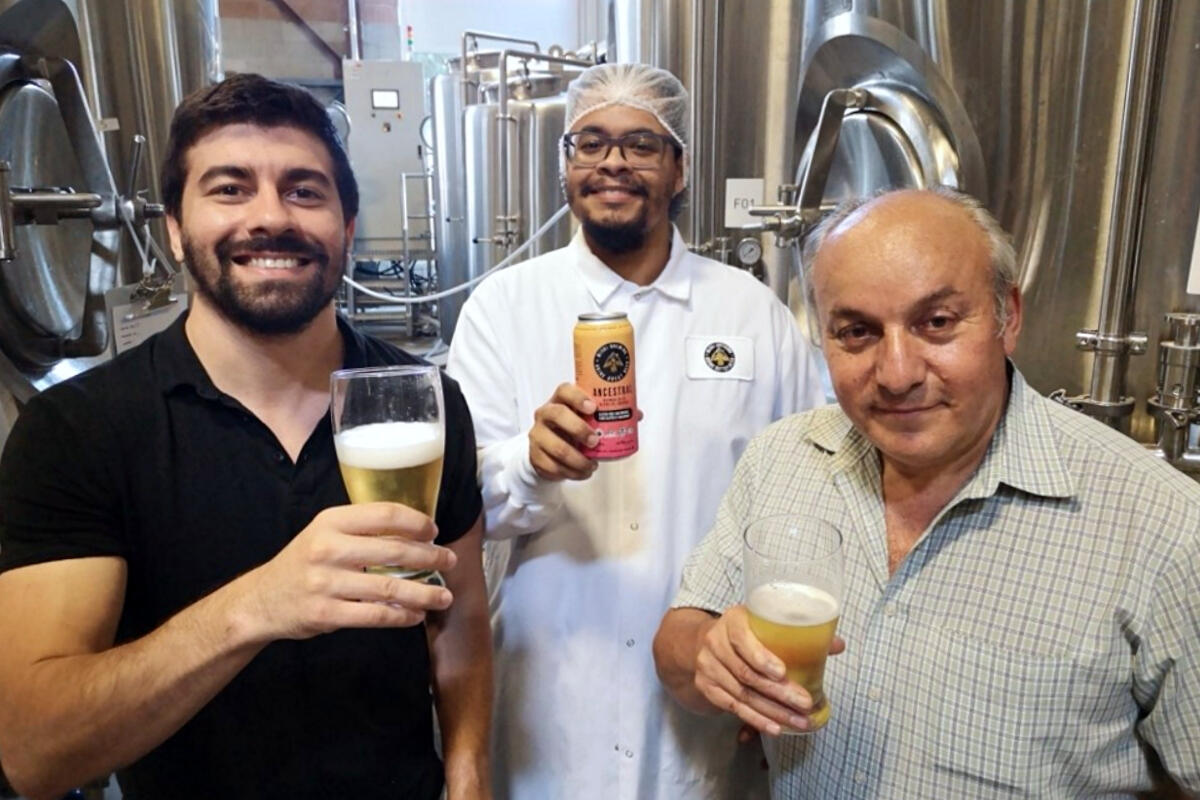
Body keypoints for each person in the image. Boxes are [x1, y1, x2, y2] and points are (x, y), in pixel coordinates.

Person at [0, 74, 492, 800]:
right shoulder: (78, 430)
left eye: (304, 191)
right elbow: (34, 753)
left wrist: (469, 771)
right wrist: (258, 607)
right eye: (230, 189)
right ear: (174, 228)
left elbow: (461, 614)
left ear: (347, 227)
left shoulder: (425, 401)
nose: (271, 217)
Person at [653, 186, 1200, 797]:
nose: (897, 374)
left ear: (1008, 317)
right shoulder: (783, 459)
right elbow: (677, 650)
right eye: (856, 331)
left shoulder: (1165, 529)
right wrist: (711, 654)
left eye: (936, 323)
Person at [445, 62, 827, 800]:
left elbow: (805, 497)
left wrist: (778, 656)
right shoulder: (504, 307)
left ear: (679, 169)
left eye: (641, 144)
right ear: (566, 166)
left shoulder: (753, 316)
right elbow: (458, 512)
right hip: (549, 701)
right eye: (589, 143)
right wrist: (529, 463)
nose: (612, 162)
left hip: (699, 705)